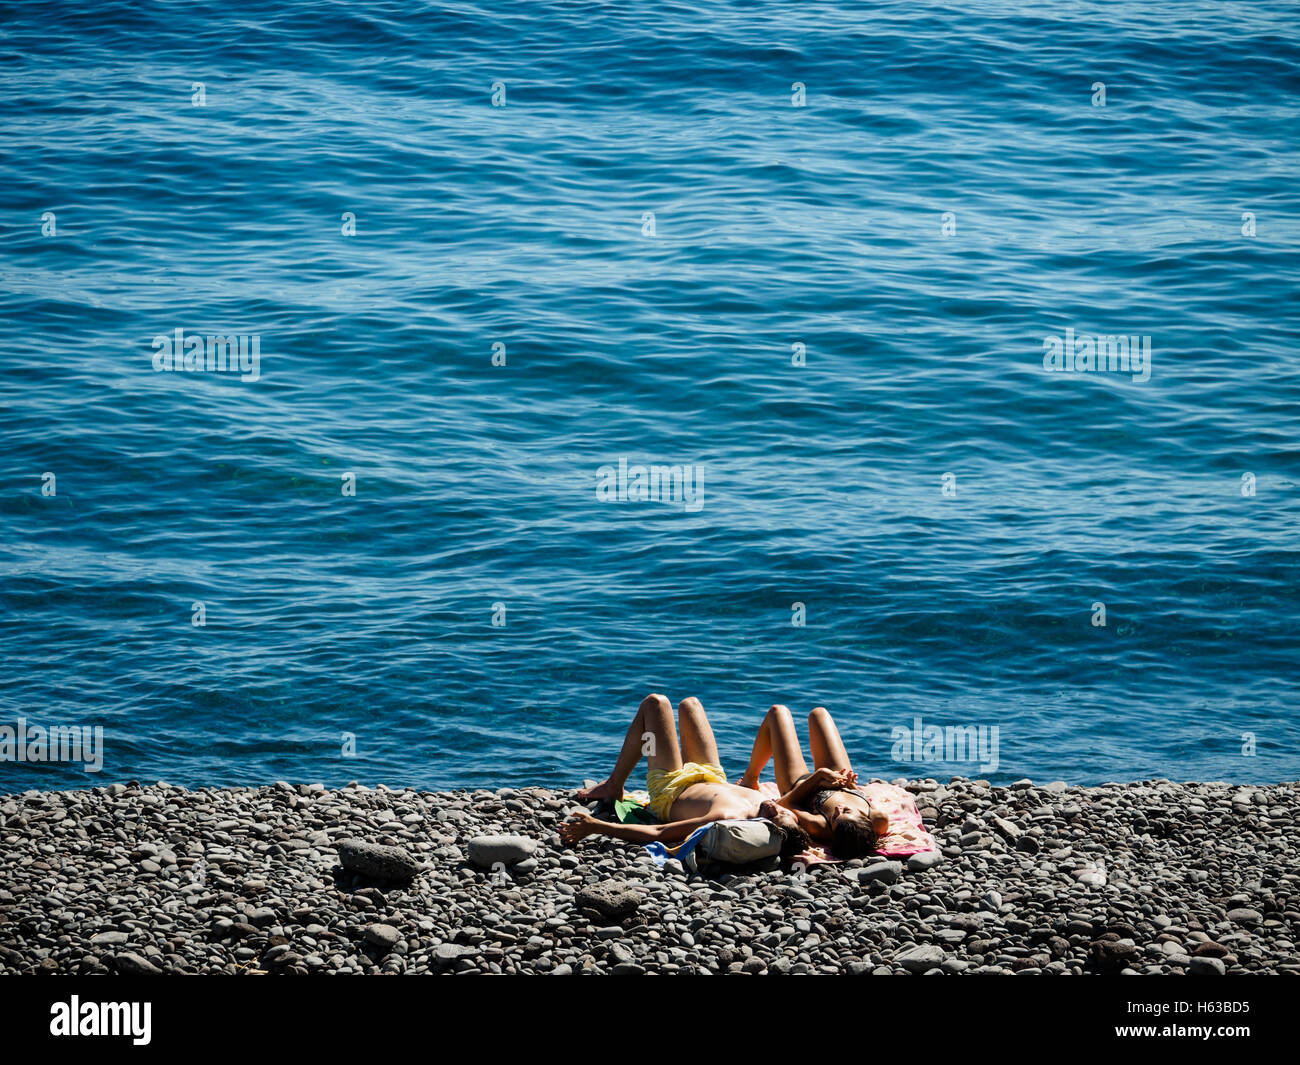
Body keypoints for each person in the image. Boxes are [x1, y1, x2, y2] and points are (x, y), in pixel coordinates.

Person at [560, 693, 810, 858]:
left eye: (774, 818)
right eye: (785, 814)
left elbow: (659, 832)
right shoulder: (780, 805)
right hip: (712, 774)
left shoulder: (726, 817)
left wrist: (597, 826)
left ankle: (614, 785)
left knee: (655, 704)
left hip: (670, 787)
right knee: (690, 704)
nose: (776, 810)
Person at [738, 704, 888, 859]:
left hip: (801, 784)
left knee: (777, 712)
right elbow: (863, 796)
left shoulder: (819, 827)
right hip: (837, 778)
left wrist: (818, 777)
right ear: (865, 820)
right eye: (846, 811)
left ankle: (750, 779)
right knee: (819, 713)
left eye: (835, 818)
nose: (838, 809)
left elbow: (783, 804)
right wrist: (850, 784)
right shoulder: (880, 819)